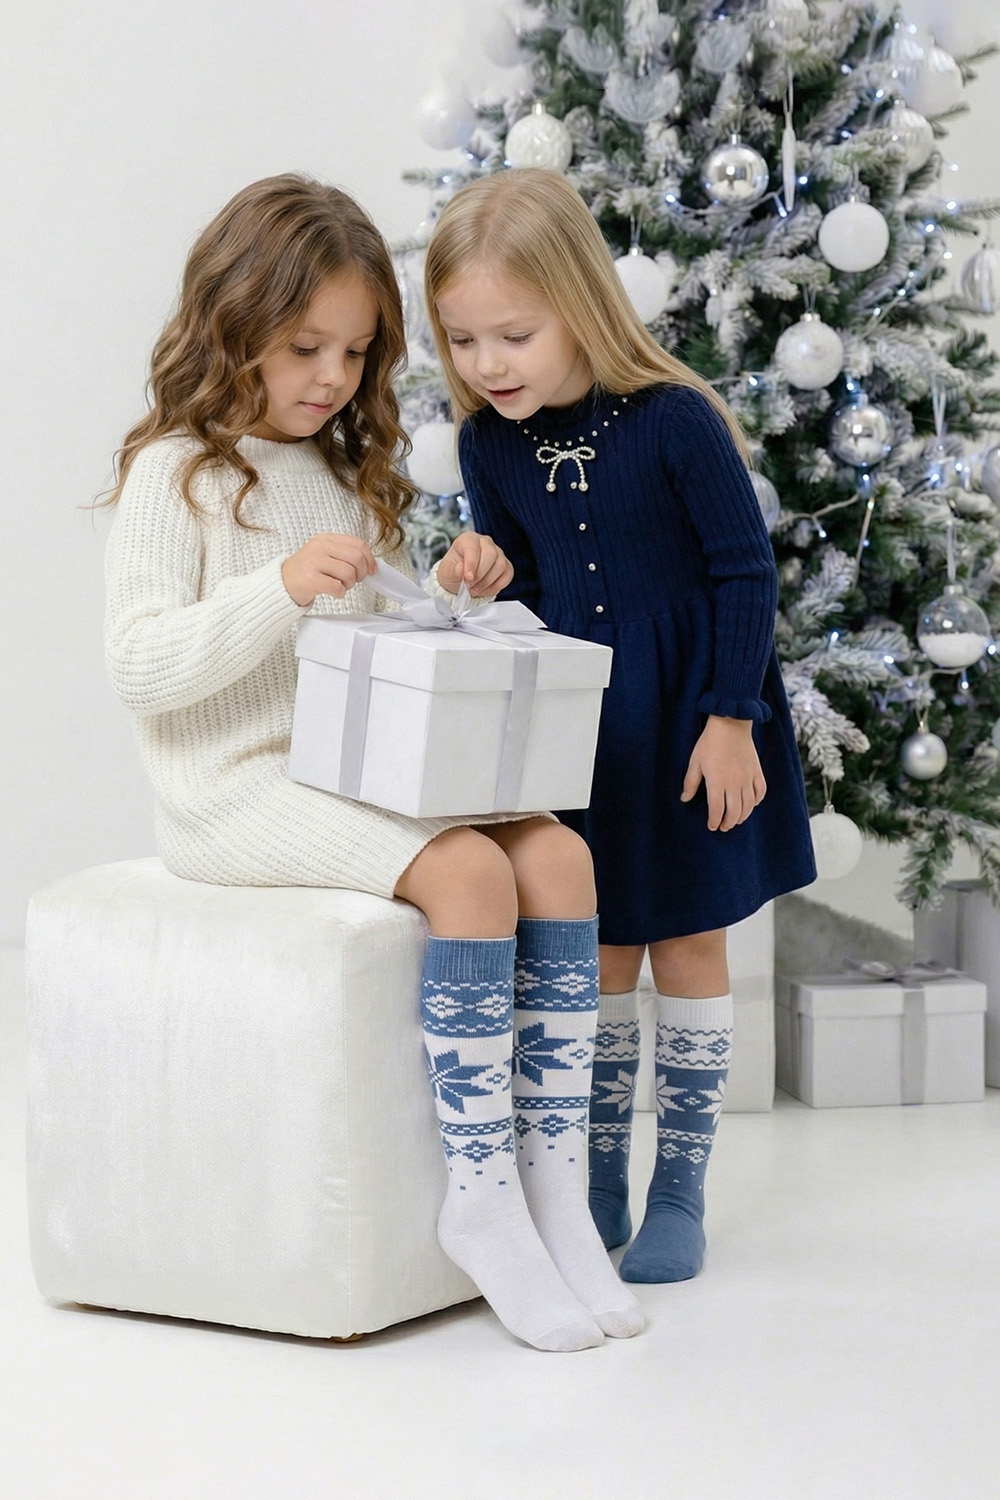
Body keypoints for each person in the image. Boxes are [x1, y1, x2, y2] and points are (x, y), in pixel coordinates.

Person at [103, 173, 643, 1351]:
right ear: (232, 321)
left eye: (354, 353)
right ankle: (481, 1194)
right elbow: (142, 666)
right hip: (233, 789)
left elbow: (372, 646)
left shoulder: (343, 475)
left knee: (555, 857)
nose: (331, 379)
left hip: (345, 768)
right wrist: (278, 589)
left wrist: (444, 590)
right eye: (304, 348)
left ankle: (551, 1184)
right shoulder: (175, 473)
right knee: (469, 873)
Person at [425, 168, 816, 1285]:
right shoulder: (487, 445)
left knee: (687, 941)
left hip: (695, 719)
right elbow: (524, 583)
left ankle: (678, 1191)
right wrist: (477, 570)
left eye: (514, 335)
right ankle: (592, 1180)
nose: (487, 364)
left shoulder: (674, 420)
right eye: (462, 340)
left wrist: (732, 719)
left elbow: (744, 573)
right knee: (592, 949)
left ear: (580, 306)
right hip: (585, 730)